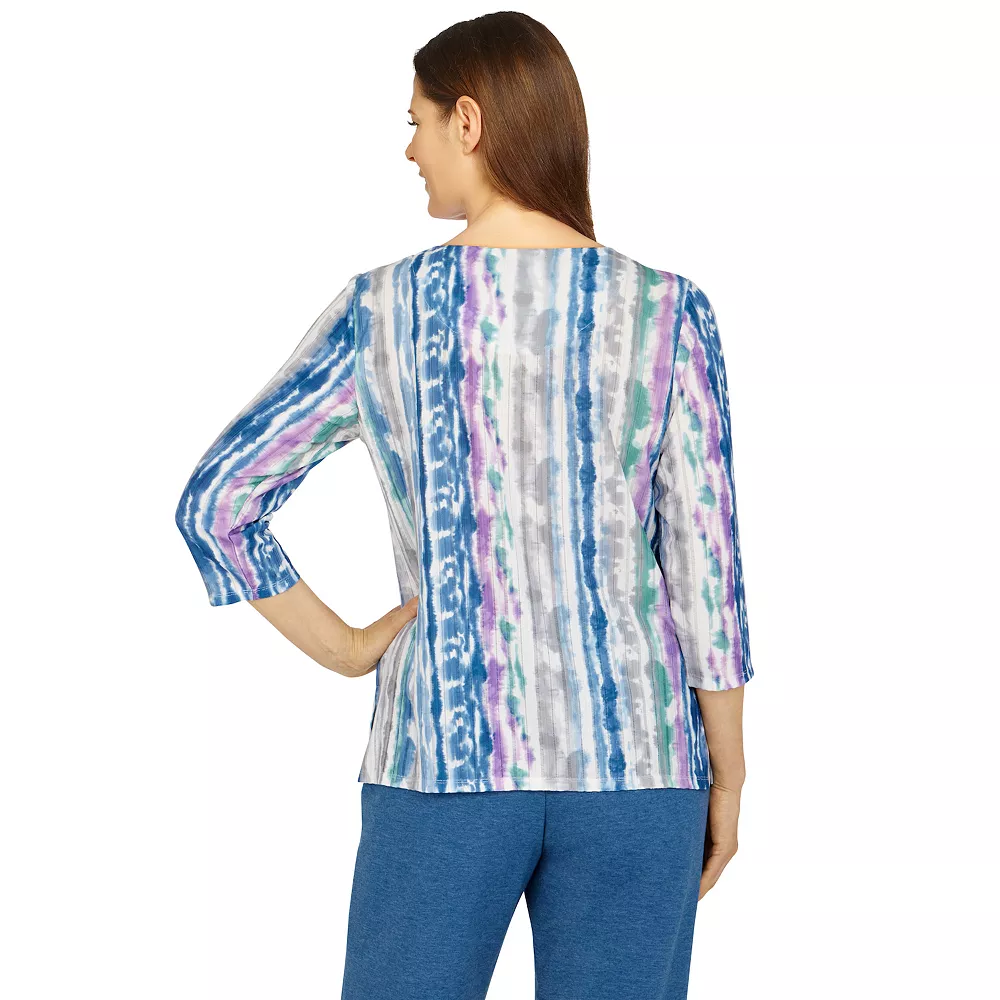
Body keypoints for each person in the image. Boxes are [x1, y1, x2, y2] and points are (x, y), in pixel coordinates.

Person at [174, 11, 754, 1000]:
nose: (411, 149)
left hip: (441, 759)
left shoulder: (381, 311)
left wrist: (348, 647)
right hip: (642, 769)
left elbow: (219, 500)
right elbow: (707, 574)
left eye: (417, 122)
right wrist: (728, 773)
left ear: (469, 121)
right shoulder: (667, 312)